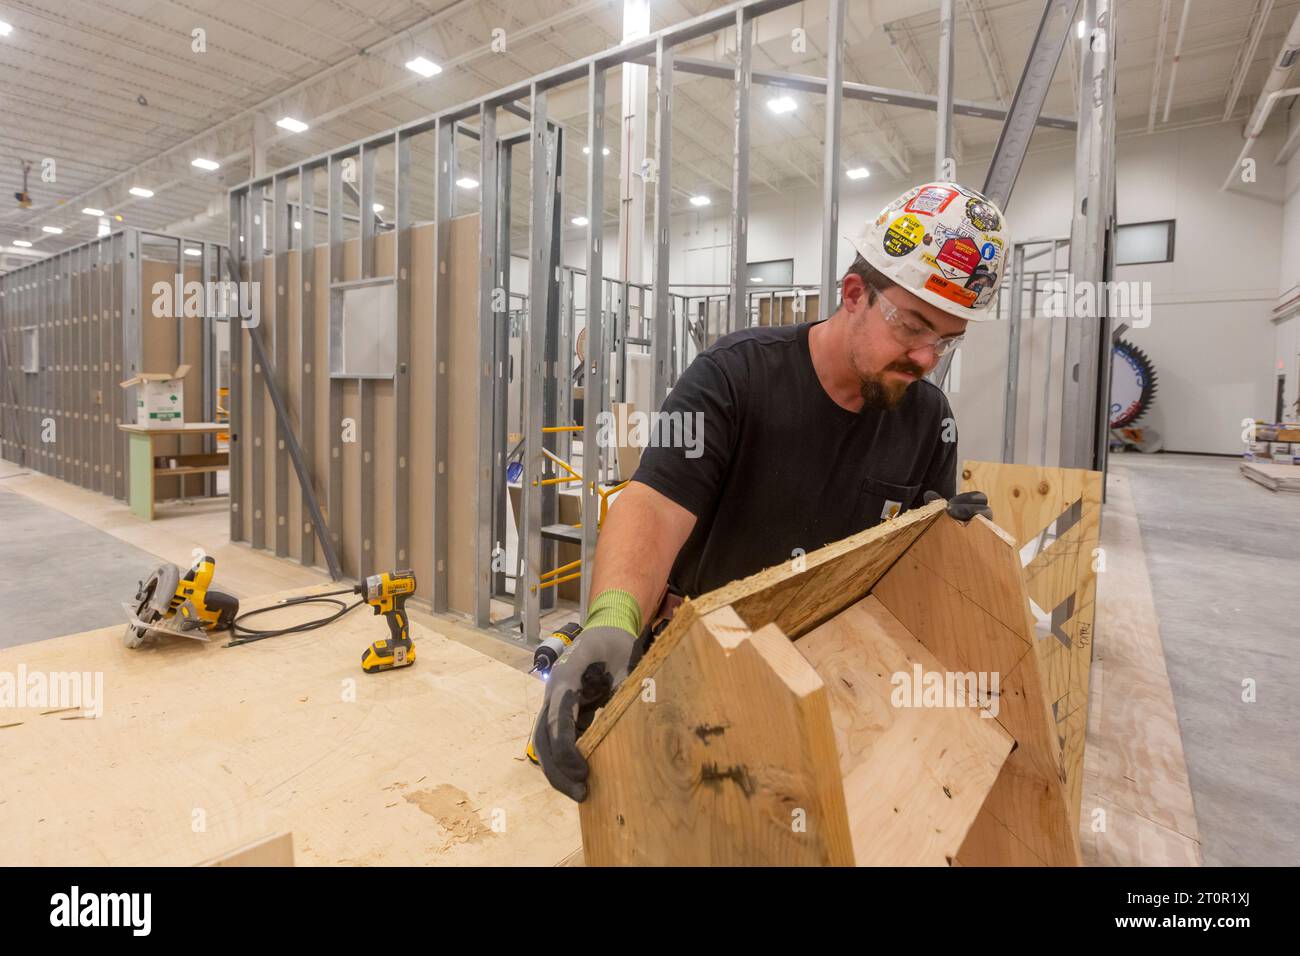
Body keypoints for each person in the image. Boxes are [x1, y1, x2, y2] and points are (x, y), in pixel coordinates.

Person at [532, 181, 1006, 801]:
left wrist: (944, 543)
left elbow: (902, 575)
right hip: (695, 672)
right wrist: (612, 624)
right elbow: (653, 505)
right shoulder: (735, 376)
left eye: (946, 341)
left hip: (827, 685)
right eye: (913, 326)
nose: (926, 358)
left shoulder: (928, 419)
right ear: (854, 294)